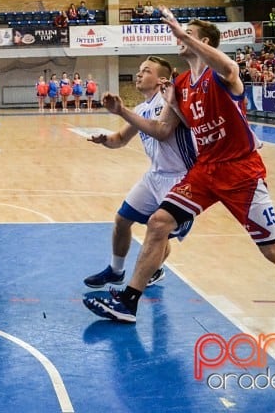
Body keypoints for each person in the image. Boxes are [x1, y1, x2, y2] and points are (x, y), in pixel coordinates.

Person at [84, 9, 275, 336]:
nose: (179, 37)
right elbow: (163, 128)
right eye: (179, 33)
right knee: (158, 222)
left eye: (187, 34)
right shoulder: (181, 84)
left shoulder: (221, 73)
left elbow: (229, 67)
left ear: (203, 42)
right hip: (205, 170)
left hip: (241, 172)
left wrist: (184, 35)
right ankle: (128, 302)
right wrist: (123, 110)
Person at [83, 57, 196, 290]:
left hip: (181, 179)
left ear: (161, 79)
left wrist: (122, 111)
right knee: (122, 220)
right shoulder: (142, 109)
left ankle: (151, 272)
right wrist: (104, 139)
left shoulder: (172, 101)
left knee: (158, 231)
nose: (138, 74)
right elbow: (121, 139)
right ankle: (116, 271)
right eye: (139, 70)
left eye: (146, 71)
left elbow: (161, 132)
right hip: (154, 176)